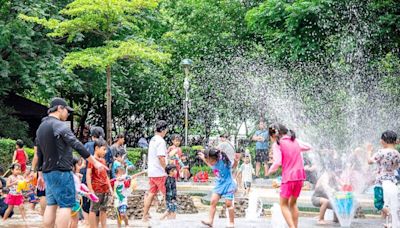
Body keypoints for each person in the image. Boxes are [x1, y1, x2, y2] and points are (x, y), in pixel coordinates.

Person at [36, 97, 107, 228]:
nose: (68, 114)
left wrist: (40, 173)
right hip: (61, 171)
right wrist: (95, 162)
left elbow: (39, 152)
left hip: (47, 173)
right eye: (66, 110)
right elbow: (76, 144)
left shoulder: (41, 127)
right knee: (66, 205)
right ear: (59, 108)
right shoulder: (59, 125)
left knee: (51, 205)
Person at [268, 123, 311, 228]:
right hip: (300, 177)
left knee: (283, 204)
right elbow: (309, 146)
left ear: (274, 135)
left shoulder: (277, 144)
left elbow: (277, 162)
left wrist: (270, 171)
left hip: (288, 177)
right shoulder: (294, 140)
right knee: (293, 204)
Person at [198, 148, 239, 228]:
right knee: (213, 201)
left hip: (228, 184)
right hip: (219, 184)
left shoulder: (224, 161)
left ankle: (231, 222)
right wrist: (203, 158)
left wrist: (236, 161)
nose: (209, 162)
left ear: (214, 158)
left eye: (209, 159)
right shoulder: (212, 162)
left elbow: (233, 167)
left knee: (228, 204)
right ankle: (210, 221)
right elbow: (210, 165)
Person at [367, 130, 400, 219]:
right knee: (389, 203)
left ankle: (392, 214)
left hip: (380, 182)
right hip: (393, 181)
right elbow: (397, 166)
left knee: (378, 204)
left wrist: (369, 151)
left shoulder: (381, 152)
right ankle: (389, 222)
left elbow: (369, 161)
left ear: (383, 141)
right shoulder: (397, 153)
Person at [142, 120, 169, 222]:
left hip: (152, 172)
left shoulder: (153, 139)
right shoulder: (161, 141)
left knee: (151, 193)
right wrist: (167, 169)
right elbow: (161, 157)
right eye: (166, 129)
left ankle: (145, 216)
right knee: (168, 194)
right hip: (160, 172)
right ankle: (169, 215)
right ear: (163, 130)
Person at [87, 137, 113, 228]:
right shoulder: (92, 160)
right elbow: (88, 175)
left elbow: (106, 175)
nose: (105, 152)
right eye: (104, 149)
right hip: (96, 188)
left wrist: (110, 188)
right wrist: (90, 189)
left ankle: (103, 226)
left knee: (104, 209)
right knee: (93, 209)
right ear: (97, 148)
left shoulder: (103, 160)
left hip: (104, 189)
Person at [70, 156, 84, 228]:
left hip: (74, 200)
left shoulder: (72, 175)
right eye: (78, 165)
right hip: (74, 201)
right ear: (72, 166)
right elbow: (76, 189)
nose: (80, 167)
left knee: (72, 220)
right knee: (74, 220)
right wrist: (85, 193)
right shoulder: (73, 177)